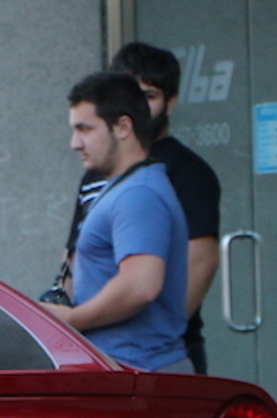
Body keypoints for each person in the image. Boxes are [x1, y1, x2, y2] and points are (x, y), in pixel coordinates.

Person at [47, 44, 224, 372]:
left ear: (123, 127)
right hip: (124, 365)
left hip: (138, 368)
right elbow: (77, 257)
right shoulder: (120, 184)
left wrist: (73, 320)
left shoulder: (143, 191)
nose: (75, 143)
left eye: (85, 129)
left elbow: (143, 285)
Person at [109, 43, 223, 371]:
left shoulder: (187, 172)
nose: (136, 107)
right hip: (100, 350)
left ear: (170, 103)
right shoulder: (101, 171)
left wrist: (151, 338)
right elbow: (73, 261)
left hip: (162, 355)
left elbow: (201, 263)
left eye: (149, 95)